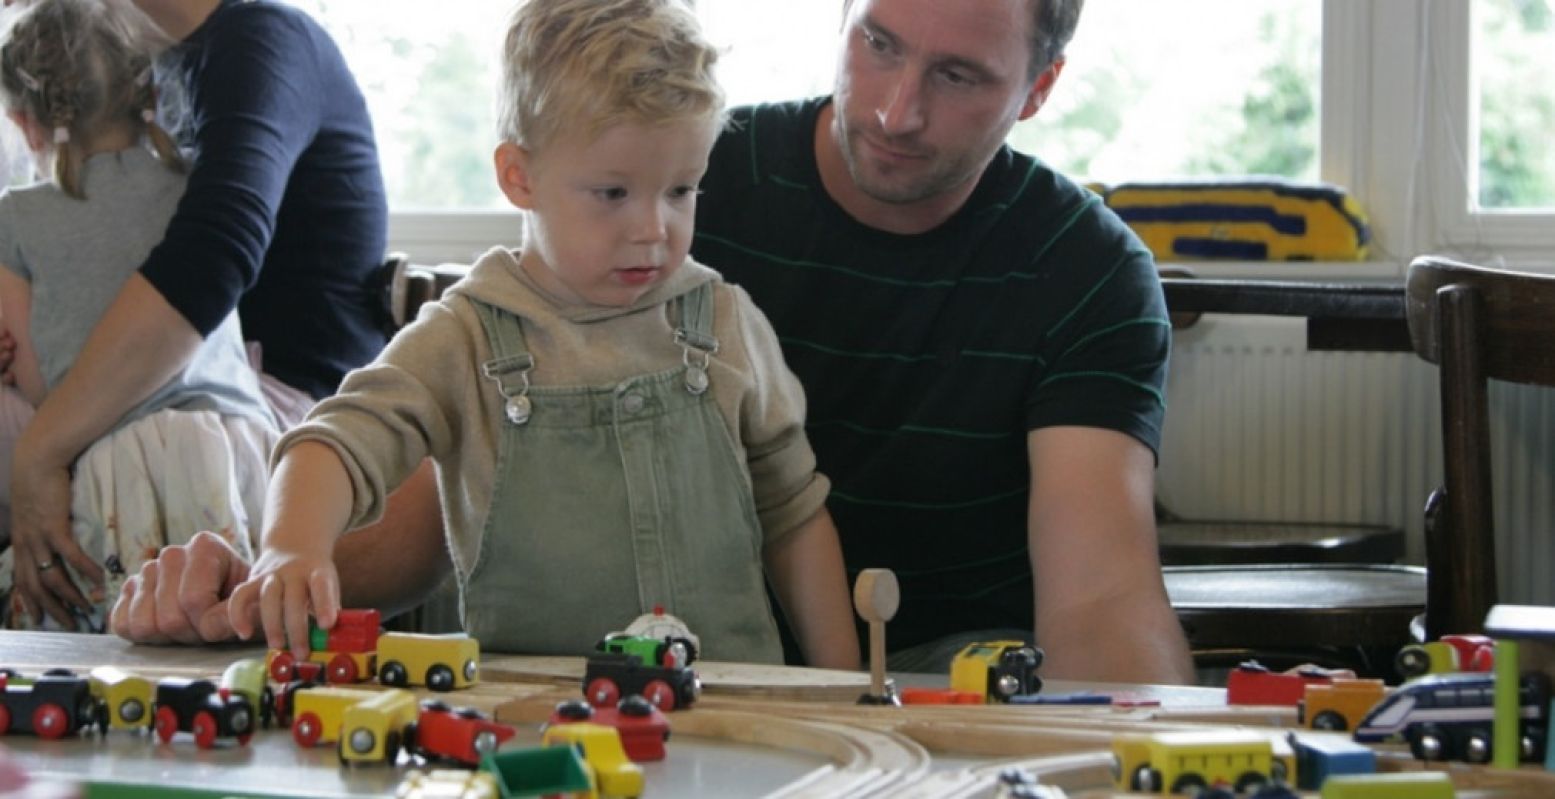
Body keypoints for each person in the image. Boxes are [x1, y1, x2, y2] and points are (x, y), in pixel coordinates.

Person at [221, 0, 860, 668]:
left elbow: (795, 516)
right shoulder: (463, 335)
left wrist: (845, 688)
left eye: (680, 190)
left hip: (735, 714)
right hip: (536, 719)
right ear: (517, 176)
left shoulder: (725, 320)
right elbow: (334, 441)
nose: (653, 228)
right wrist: (291, 547)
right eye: (613, 193)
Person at [688, 0, 1194, 682]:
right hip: (697, 650)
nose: (897, 113)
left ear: (1036, 90)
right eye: (878, 44)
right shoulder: (682, 182)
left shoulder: (1087, 268)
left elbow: (1100, 601)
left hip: (956, 667)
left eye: (957, 76)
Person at [1, 0, 446, 634]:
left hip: (274, 410)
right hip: (191, 388)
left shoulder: (258, 41)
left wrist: (41, 451)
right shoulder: (157, 70)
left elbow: (212, 256)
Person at [0, 0, 277, 631]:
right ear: (147, 88)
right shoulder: (196, 185)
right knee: (235, 627)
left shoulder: (17, 217)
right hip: (240, 448)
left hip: (122, 464)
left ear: (25, 123)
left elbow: (48, 385)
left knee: (116, 640)